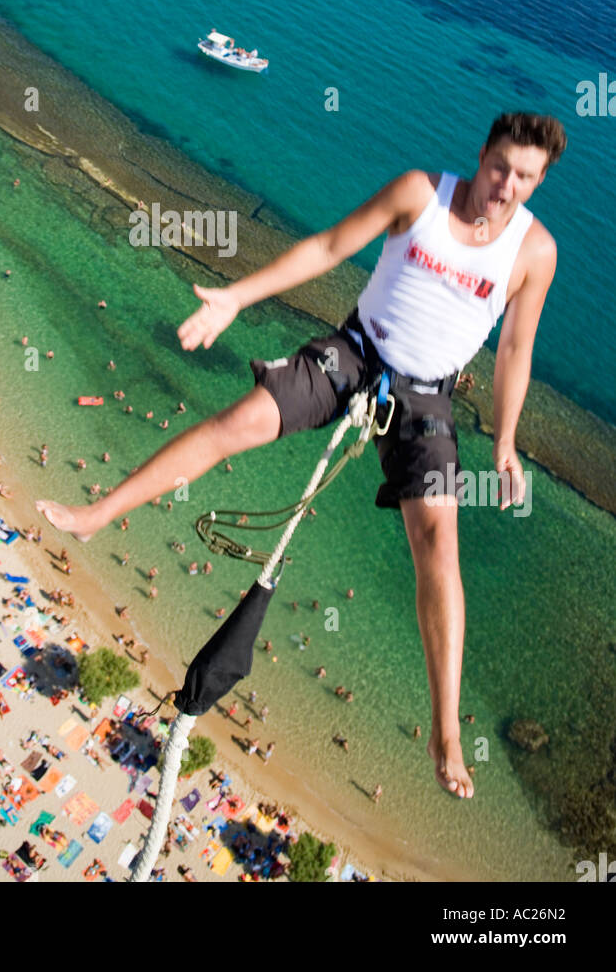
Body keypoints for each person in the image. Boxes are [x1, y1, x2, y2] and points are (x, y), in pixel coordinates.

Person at [37, 113, 566, 801]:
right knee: (239, 423)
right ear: (482, 154)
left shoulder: (535, 251)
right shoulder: (420, 193)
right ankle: (95, 514)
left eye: (525, 177)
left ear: (540, 180)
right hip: (354, 353)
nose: (506, 186)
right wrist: (235, 295)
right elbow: (327, 246)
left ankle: (445, 732)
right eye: (501, 166)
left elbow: (517, 349)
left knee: (439, 547)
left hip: (428, 400)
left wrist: (503, 441)